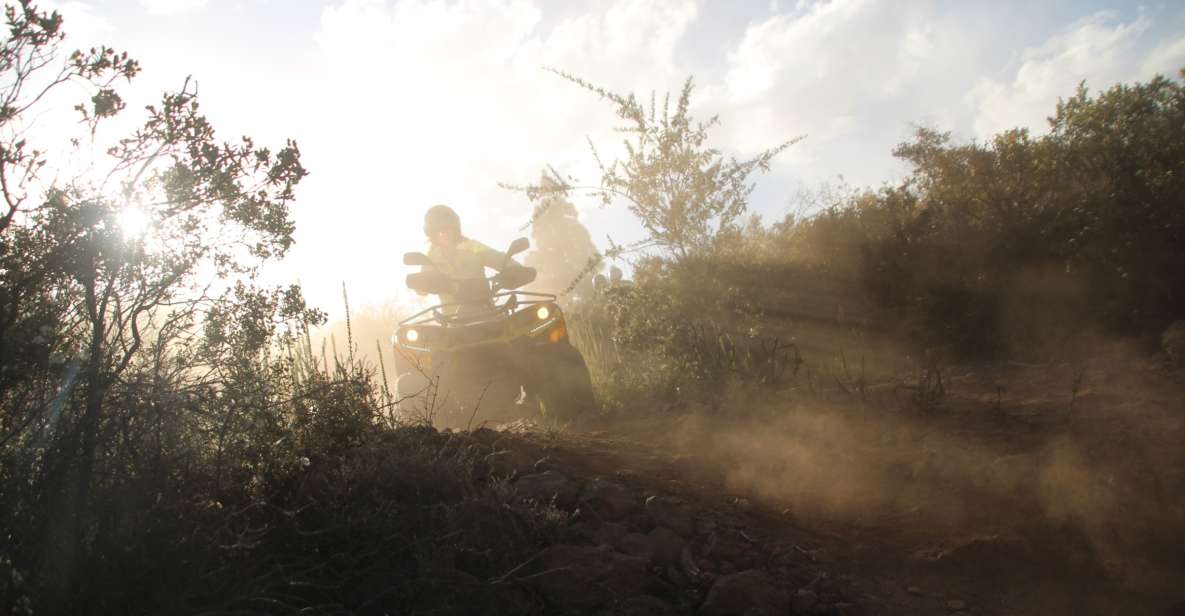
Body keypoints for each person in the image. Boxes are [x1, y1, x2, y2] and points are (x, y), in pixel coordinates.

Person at [418, 204, 526, 314]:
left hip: (486, 311)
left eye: (447, 229)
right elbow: (422, 288)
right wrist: (420, 284)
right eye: (439, 231)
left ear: (455, 229)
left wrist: (515, 269)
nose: (444, 234)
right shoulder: (430, 259)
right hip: (452, 322)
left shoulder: (473, 247)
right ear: (431, 234)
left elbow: (498, 258)